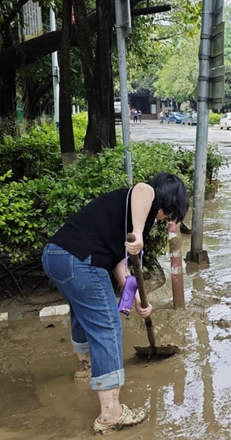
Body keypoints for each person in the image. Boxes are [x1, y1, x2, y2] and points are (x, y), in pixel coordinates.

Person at [41, 172, 189, 435]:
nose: (166, 218)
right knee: (107, 328)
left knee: (81, 312)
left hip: (55, 256)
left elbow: (121, 269)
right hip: (80, 261)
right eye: (170, 213)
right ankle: (111, 413)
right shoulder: (146, 197)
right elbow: (143, 189)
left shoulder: (124, 214)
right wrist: (139, 233)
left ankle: (84, 366)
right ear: (170, 202)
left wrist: (140, 301)